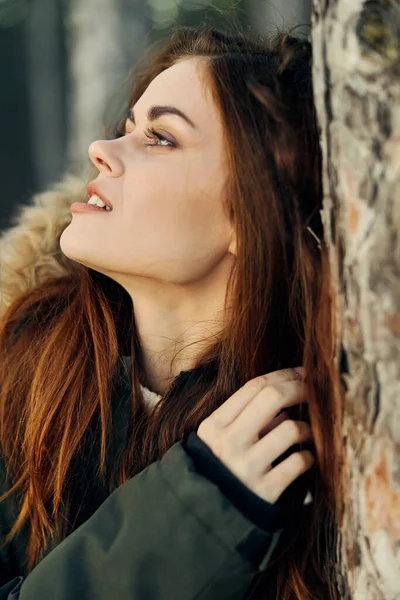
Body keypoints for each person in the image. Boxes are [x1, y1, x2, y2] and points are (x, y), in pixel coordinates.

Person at [0, 23, 342, 600]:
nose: (100, 150)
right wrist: (198, 512)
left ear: (251, 215)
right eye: (127, 127)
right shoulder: (22, 367)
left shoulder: (328, 442)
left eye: (159, 137)